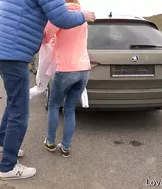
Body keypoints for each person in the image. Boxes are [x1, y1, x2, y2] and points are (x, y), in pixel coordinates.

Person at [0, 0, 96, 181]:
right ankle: (8, 167)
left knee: (16, 103)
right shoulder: (78, 14)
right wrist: (84, 15)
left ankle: (1, 143)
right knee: (19, 112)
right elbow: (62, 17)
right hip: (14, 55)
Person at [42, 0, 91, 158]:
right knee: (70, 109)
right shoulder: (83, 18)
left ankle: (50, 142)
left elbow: (46, 37)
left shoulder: (60, 15)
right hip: (84, 69)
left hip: (65, 69)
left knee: (54, 105)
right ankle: (66, 147)